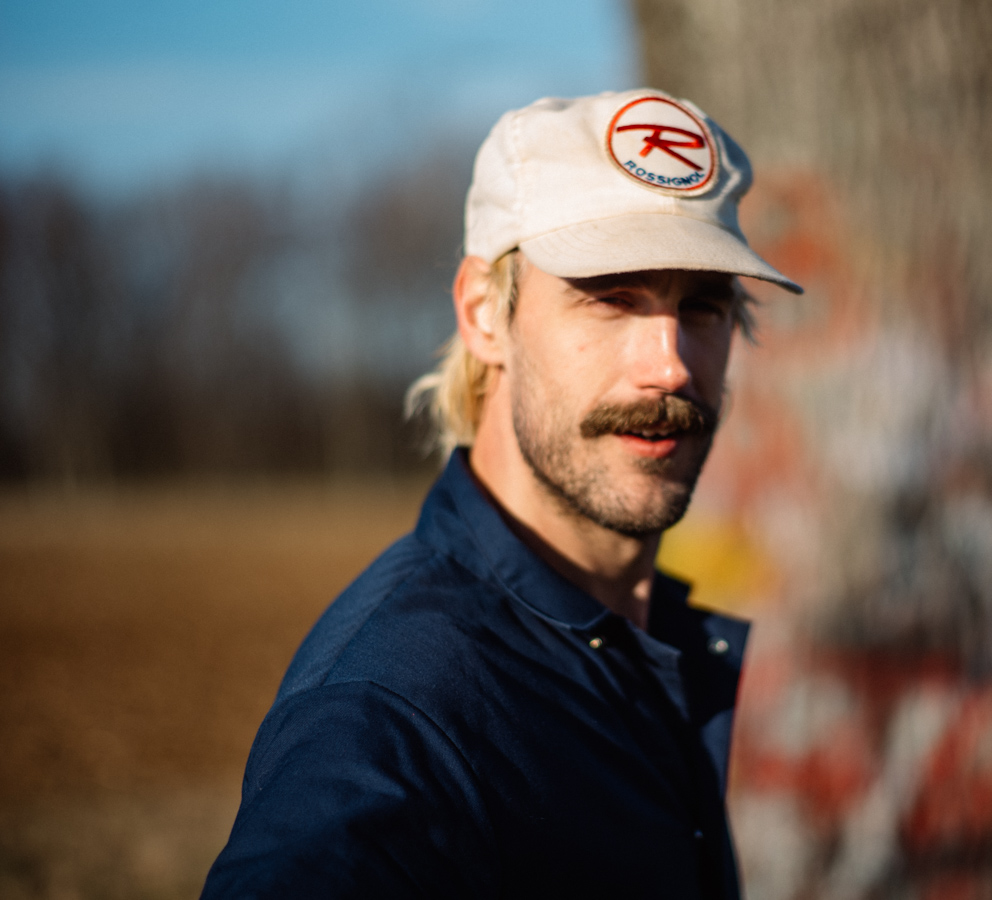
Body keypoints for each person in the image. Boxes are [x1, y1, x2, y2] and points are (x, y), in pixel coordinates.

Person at [201, 88, 800, 899]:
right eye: (611, 297)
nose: (671, 363)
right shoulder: (397, 708)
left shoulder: (635, 643)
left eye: (702, 306)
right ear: (485, 314)